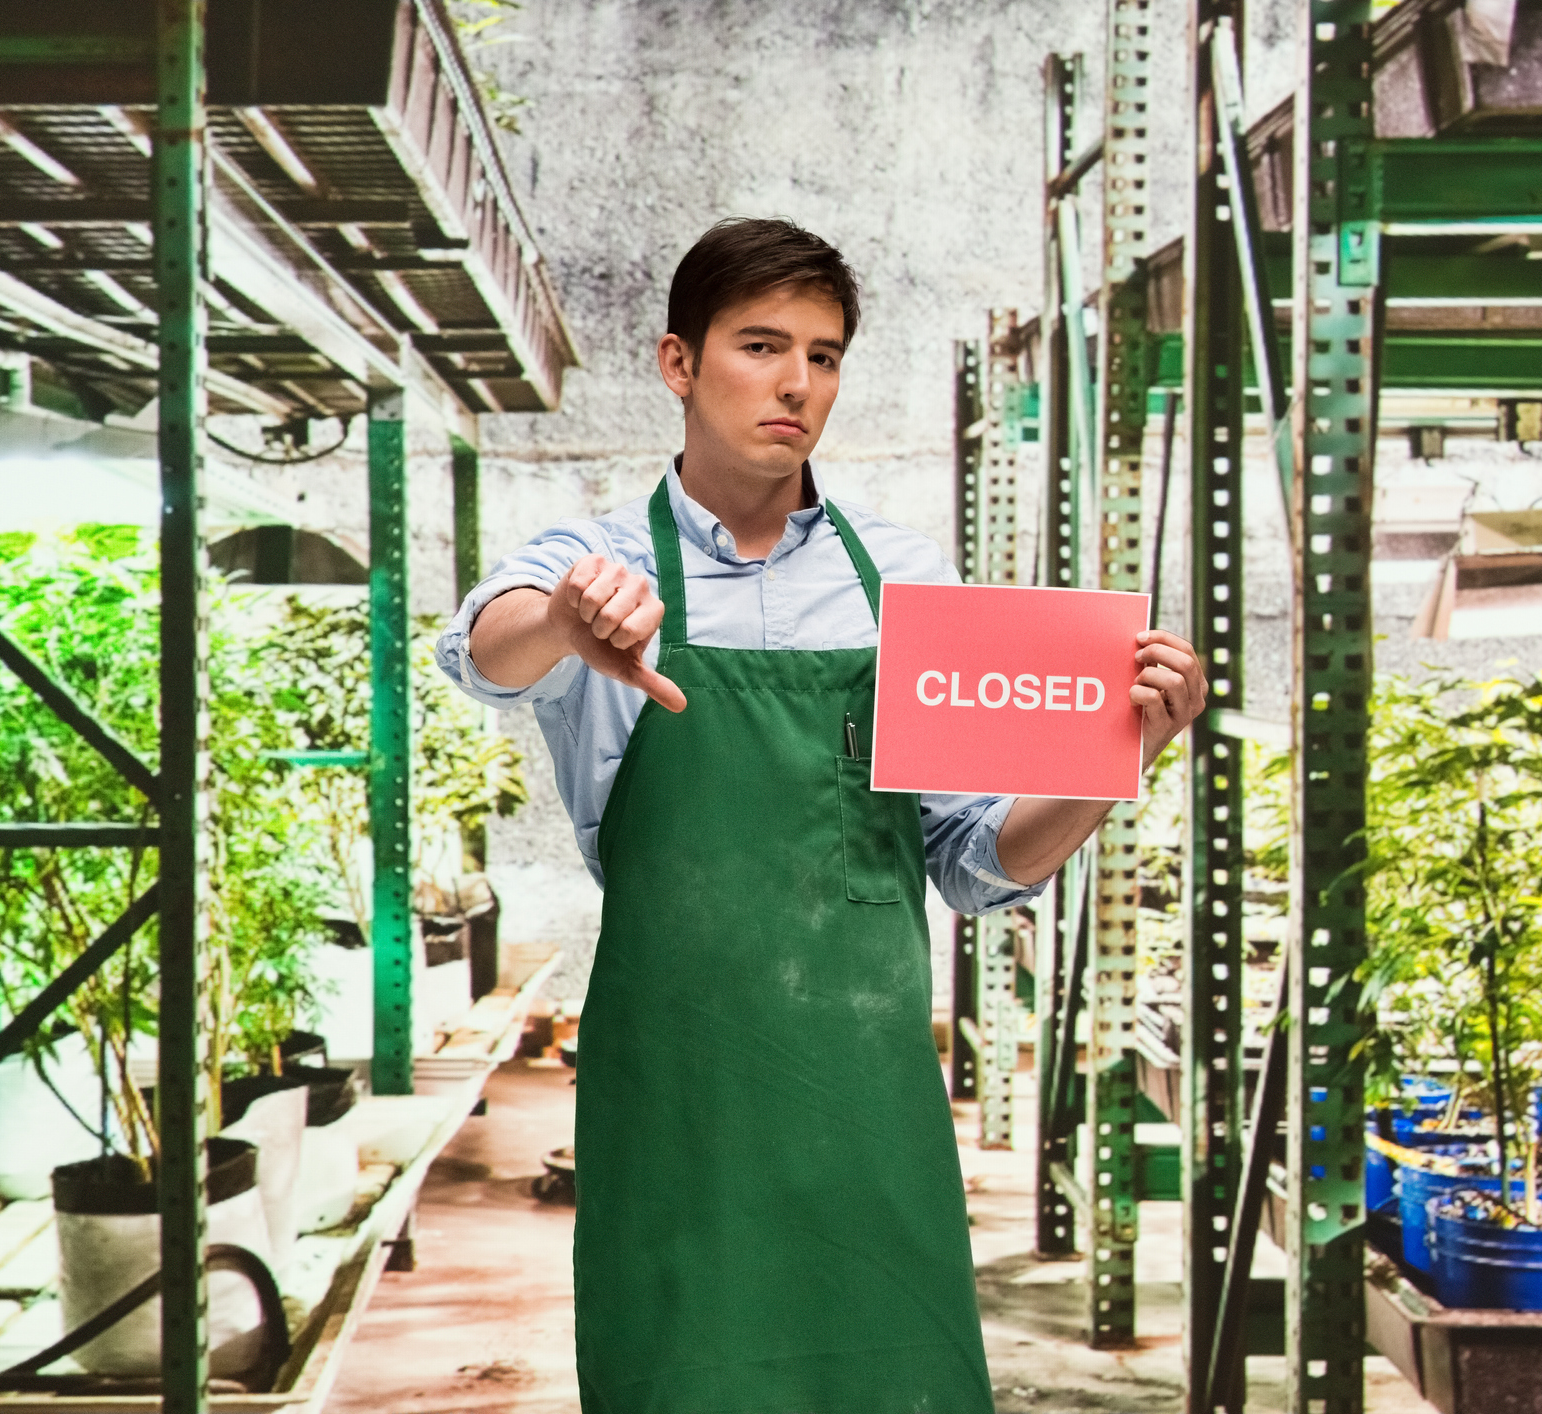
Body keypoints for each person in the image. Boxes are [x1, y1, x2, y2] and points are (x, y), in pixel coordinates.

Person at [437, 217, 1207, 1414]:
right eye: (760, 345)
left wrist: (1120, 753)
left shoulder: (906, 585)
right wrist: (568, 623)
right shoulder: (596, 561)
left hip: (866, 1094)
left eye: (824, 354)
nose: (796, 382)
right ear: (679, 362)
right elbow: (483, 652)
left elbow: (972, 859)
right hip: (678, 1093)